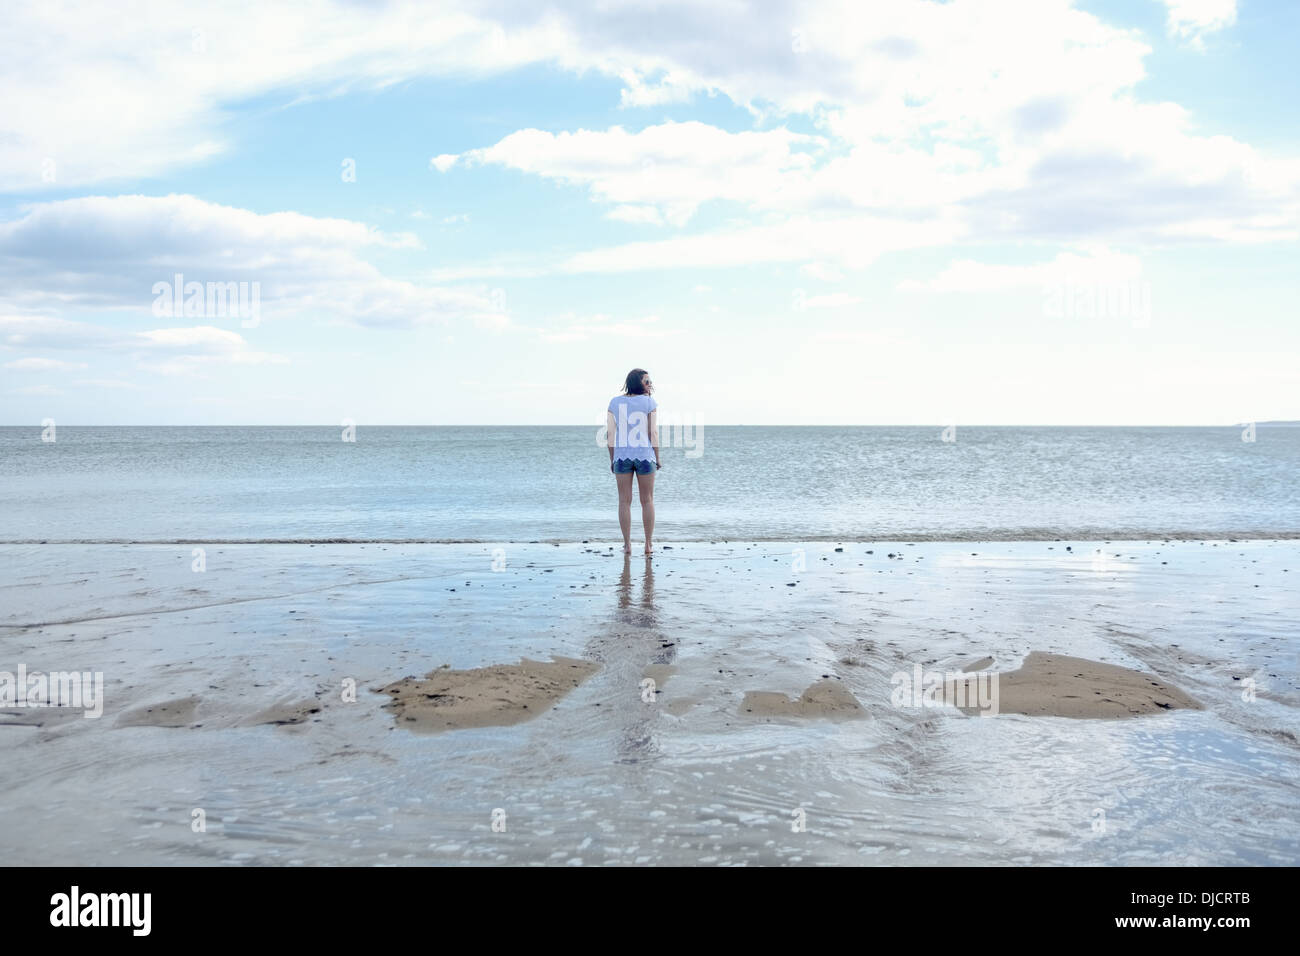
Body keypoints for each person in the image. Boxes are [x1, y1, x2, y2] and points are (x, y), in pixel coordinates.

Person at [607, 368, 660, 555]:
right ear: (638, 383)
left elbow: (610, 434)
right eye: (647, 381)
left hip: (622, 456)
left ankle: (628, 545)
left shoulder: (614, 402)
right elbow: (652, 433)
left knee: (624, 501)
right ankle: (648, 545)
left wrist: (612, 459)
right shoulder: (649, 402)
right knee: (647, 501)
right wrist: (658, 457)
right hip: (645, 456)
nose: (650, 384)